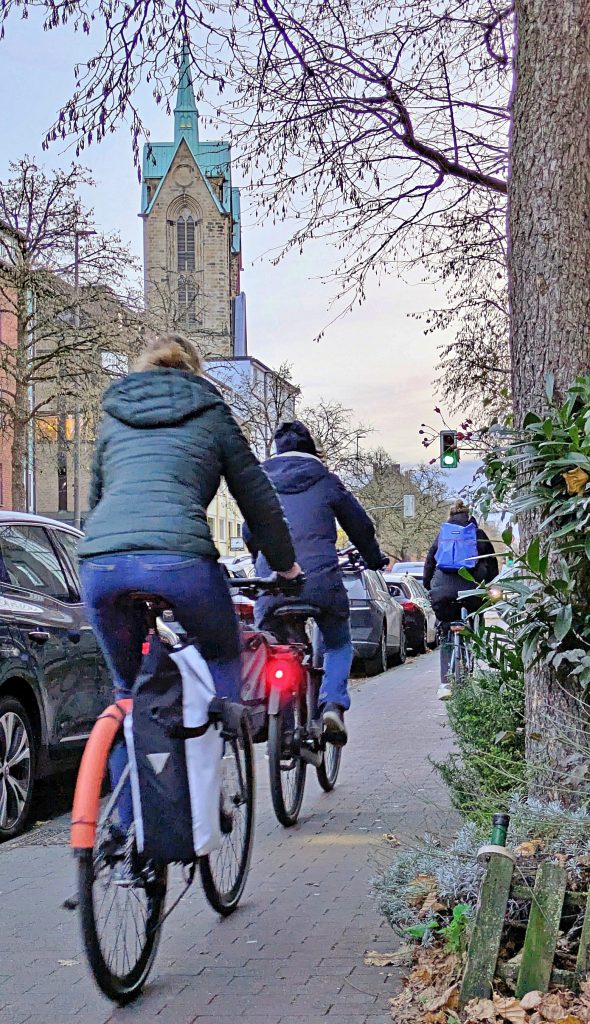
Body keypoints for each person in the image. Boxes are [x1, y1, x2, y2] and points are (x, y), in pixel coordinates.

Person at [79, 332, 301, 705]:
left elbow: (97, 497)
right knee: (222, 652)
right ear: (194, 371)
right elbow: (257, 498)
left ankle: (124, 730)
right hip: (181, 559)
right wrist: (285, 565)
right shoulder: (211, 411)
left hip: (102, 563)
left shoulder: (113, 415)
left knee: (126, 691)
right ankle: (219, 738)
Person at [244, 420, 388, 746]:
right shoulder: (326, 480)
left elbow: (249, 532)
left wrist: (262, 560)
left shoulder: (260, 482)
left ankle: (277, 724)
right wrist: (374, 558)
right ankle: (333, 704)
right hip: (321, 580)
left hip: (275, 580)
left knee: (272, 642)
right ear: (311, 449)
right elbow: (360, 526)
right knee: (338, 642)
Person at [423, 499, 498, 700]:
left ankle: (446, 684)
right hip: (472, 588)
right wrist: (488, 583)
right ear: (468, 514)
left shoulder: (443, 535)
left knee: (446, 627)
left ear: (450, 515)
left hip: (443, 590)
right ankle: (474, 640)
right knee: (475, 615)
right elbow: (492, 562)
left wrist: (428, 585)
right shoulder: (477, 534)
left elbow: (430, 562)